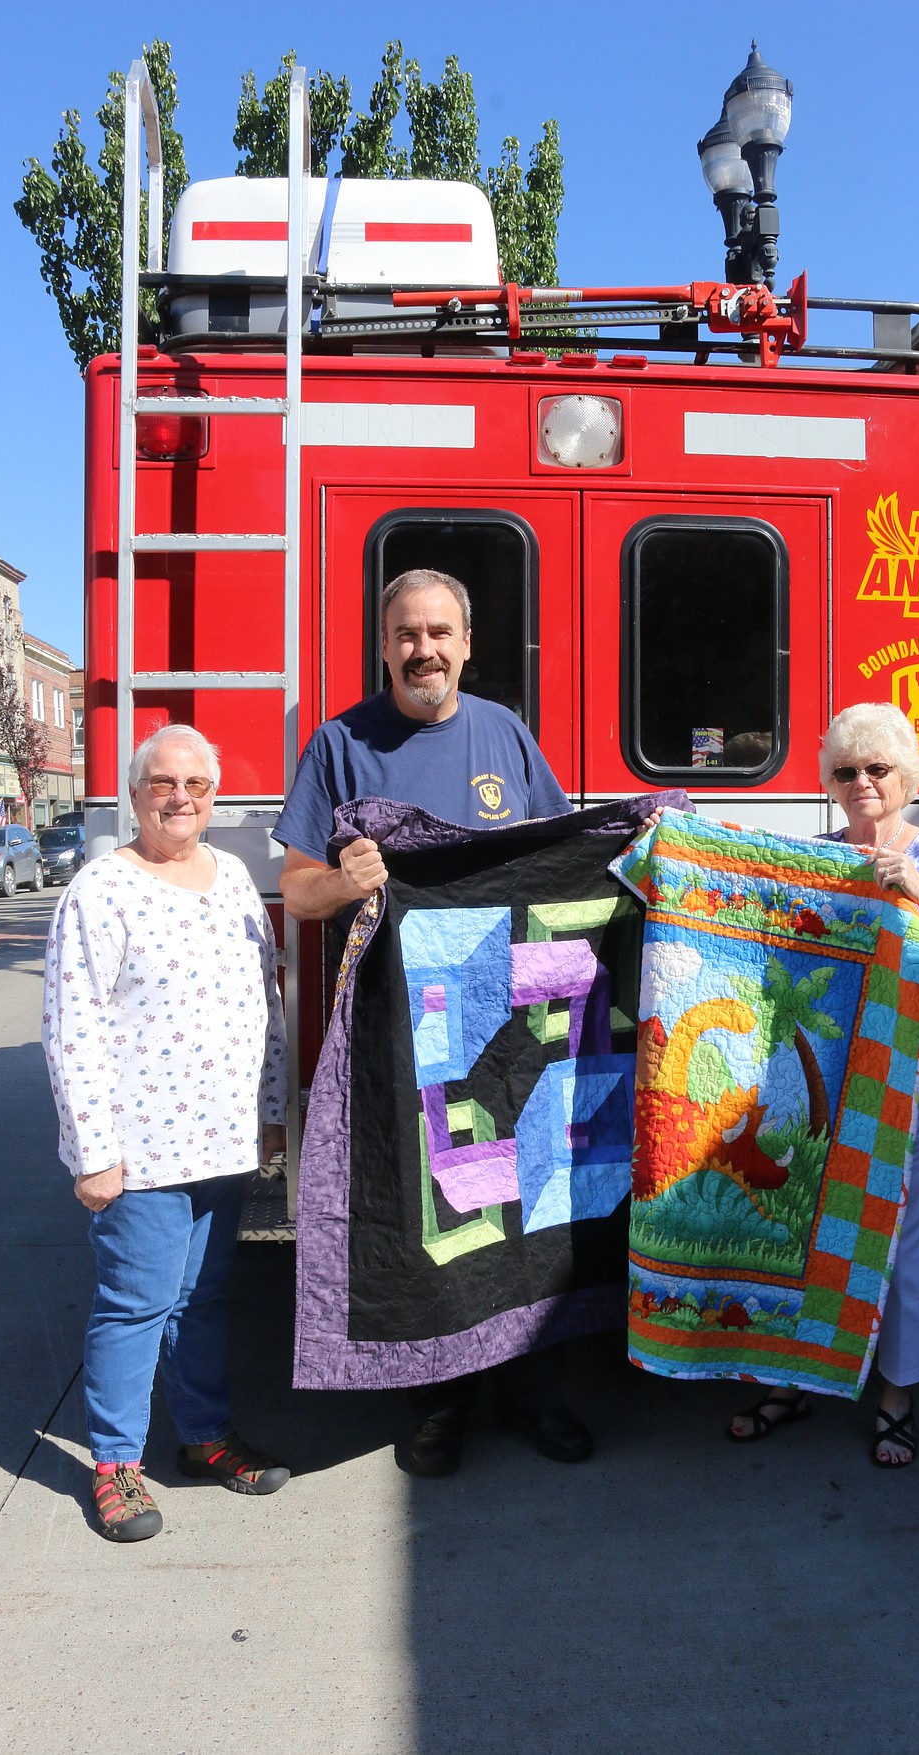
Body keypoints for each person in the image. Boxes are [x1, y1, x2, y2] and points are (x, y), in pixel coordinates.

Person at [275, 567, 594, 1478]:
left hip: (514, 1023)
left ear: (467, 643)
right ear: (384, 646)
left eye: (440, 632)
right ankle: (439, 1407)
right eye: (406, 634)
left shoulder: (504, 732)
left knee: (528, 1210)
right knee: (431, 1218)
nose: (425, 650)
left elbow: (560, 859)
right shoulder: (340, 744)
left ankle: (538, 1395)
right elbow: (298, 892)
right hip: (401, 1032)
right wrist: (345, 882)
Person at [727, 701, 919, 1467]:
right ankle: (795, 1378)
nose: (863, 782)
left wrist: (915, 888)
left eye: (877, 767)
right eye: (846, 771)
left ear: (905, 775)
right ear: (831, 782)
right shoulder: (821, 857)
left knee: (908, 1241)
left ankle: (897, 1394)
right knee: (810, 1229)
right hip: (834, 1080)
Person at [42, 724, 290, 1541]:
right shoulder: (100, 889)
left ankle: (203, 1437)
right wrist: (94, 1150)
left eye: (196, 784)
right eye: (161, 783)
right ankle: (116, 1463)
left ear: (215, 797)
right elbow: (71, 1025)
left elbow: (266, 1000)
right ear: (135, 792)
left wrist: (269, 1111)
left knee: (201, 1297)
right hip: (141, 1150)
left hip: (223, 1139)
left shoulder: (235, 880)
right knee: (137, 1301)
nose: (179, 797)